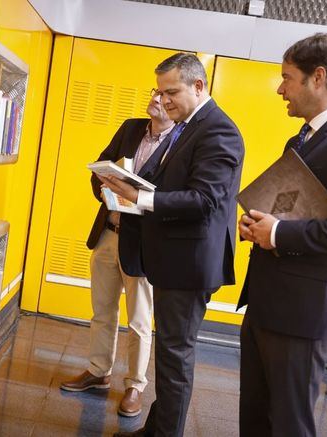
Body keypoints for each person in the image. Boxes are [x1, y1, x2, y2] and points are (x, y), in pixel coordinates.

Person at [237, 33, 327, 437]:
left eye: (287, 78)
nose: (280, 88)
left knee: (289, 424)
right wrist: (261, 225)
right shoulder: (302, 138)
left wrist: (281, 233)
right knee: (255, 418)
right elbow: (298, 208)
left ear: (317, 78)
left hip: (302, 316)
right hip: (267, 303)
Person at [102, 53, 244, 437]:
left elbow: (204, 201)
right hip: (173, 260)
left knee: (175, 358)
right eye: (160, 93)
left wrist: (139, 197)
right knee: (168, 356)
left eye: (172, 92)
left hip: (189, 265)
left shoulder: (218, 131)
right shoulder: (188, 127)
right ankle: (157, 429)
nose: (163, 102)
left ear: (199, 86)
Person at [61, 92, 174, 418]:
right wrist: (103, 185)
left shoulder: (179, 142)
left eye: (166, 94)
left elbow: (169, 198)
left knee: (139, 320)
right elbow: (99, 169)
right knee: (102, 311)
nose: (156, 97)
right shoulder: (130, 127)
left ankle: (135, 386)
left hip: (142, 244)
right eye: (155, 91)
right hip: (108, 234)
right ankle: (98, 371)